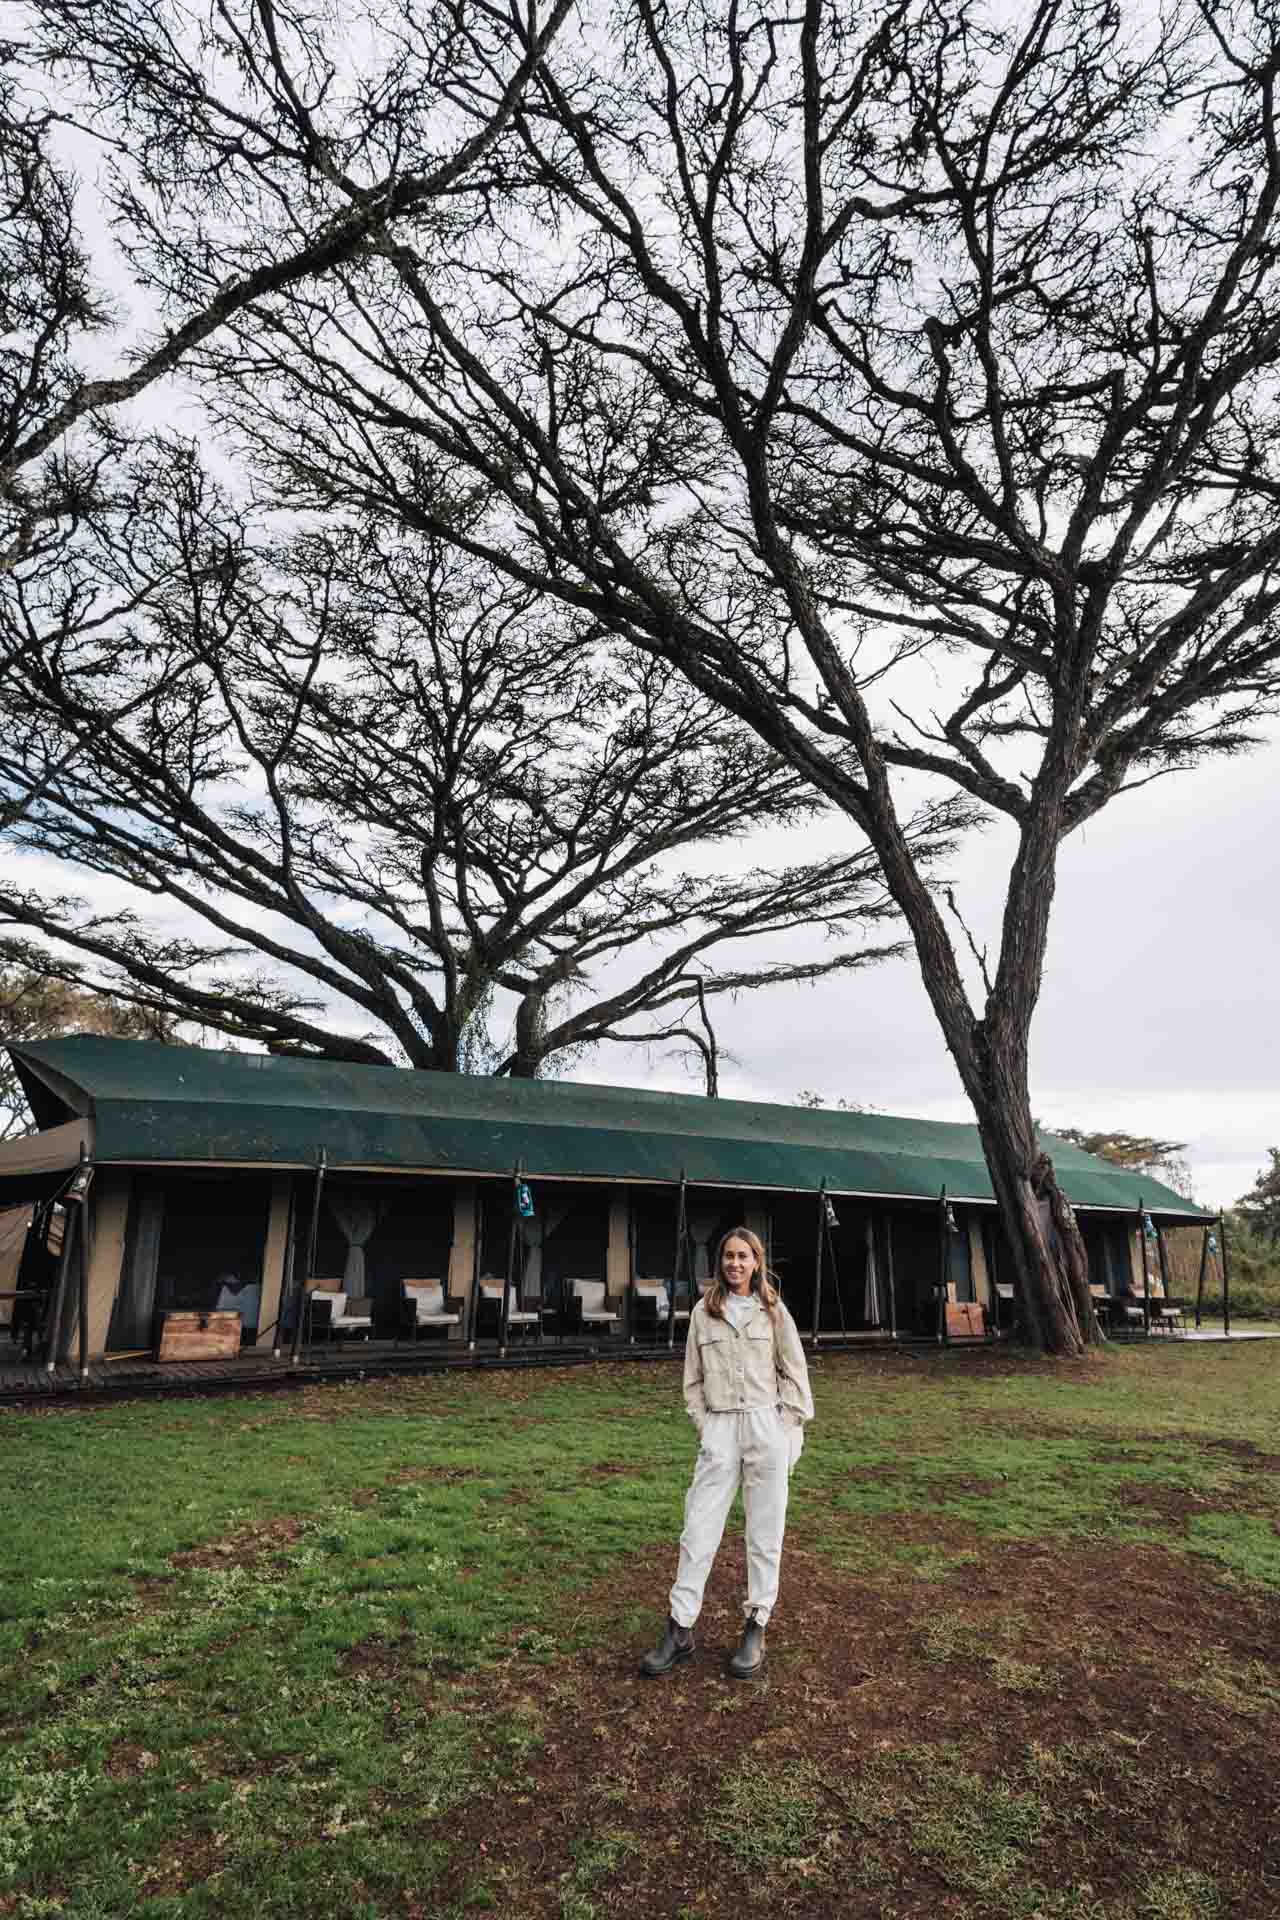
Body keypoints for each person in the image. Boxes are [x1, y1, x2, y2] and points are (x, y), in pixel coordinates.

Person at [640, 1225, 813, 1682]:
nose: (735, 1263)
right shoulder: (704, 1312)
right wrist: (706, 1426)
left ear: (757, 1261)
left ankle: (756, 1623)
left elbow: (796, 1375)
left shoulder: (773, 1312)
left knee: (764, 1532)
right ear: (720, 1262)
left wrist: (785, 1428)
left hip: (764, 1426)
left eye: (744, 1256)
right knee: (697, 1529)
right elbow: (692, 1380)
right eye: (728, 1256)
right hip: (720, 1428)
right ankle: (679, 1628)